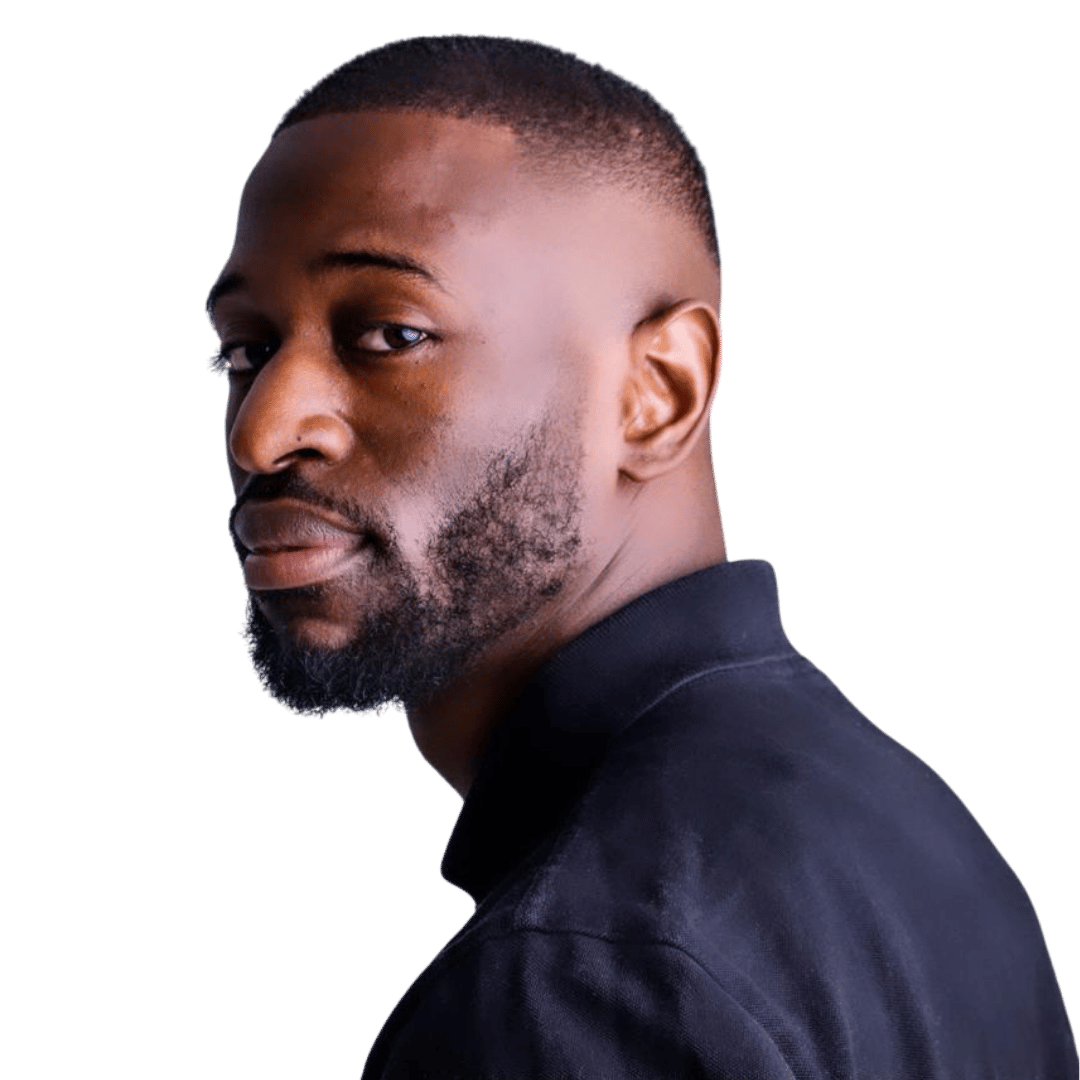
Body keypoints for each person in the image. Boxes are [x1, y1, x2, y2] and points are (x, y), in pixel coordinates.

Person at [205, 33, 1078, 1079]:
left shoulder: (569, 986)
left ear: (657, 394)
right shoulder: (915, 834)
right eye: (246, 349)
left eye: (391, 334)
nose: (260, 433)